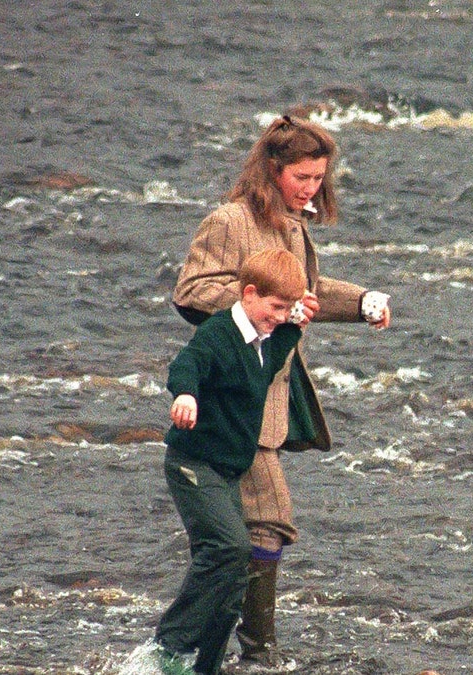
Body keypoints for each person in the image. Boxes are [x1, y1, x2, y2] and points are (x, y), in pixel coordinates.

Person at [172, 113, 391, 669]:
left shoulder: (293, 225)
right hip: (231, 395)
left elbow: (304, 292)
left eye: (319, 178)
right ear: (273, 169)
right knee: (264, 520)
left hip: (270, 392)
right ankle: (253, 651)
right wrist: (260, 303)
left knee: (247, 533)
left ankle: (224, 649)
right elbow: (193, 292)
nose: (311, 189)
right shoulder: (229, 221)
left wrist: (361, 302)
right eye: (302, 177)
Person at [155, 248, 309, 675]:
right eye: (276, 307)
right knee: (229, 548)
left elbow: (274, 357)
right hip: (193, 464)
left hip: (226, 472)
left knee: (235, 573)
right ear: (249, 293)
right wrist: (185, 394)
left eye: (287, 308)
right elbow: (187, 364)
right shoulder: (219, 333)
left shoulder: (261, 342)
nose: (279, 315)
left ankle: (205, 666)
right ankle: (168, 646)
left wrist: (294, 325)